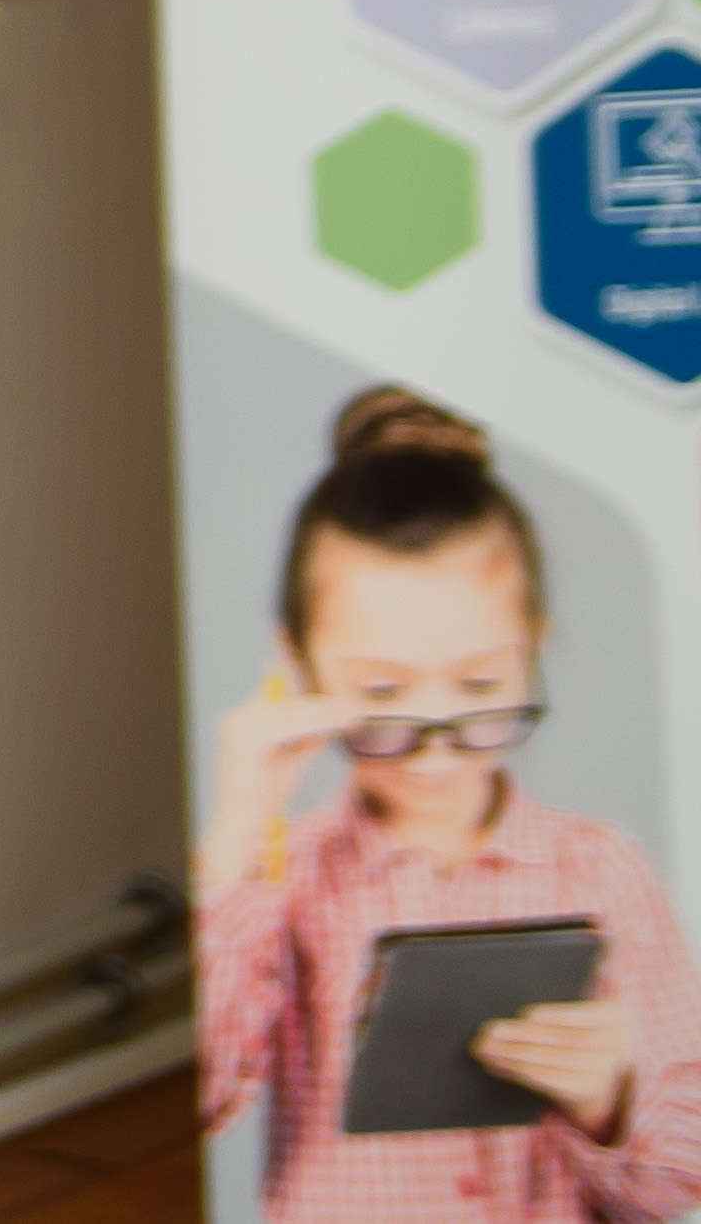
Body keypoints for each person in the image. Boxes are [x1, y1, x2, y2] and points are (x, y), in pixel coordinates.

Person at [195, 387, 701, 1221]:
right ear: (298, 667)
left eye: (479, 683)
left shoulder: (603, 867)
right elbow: (202, 1096)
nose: (436, 741)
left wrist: (607, 1099)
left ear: (532, 646)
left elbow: (682, 1179)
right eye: (382, 691)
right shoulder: (286, 878)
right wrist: (239, 830)